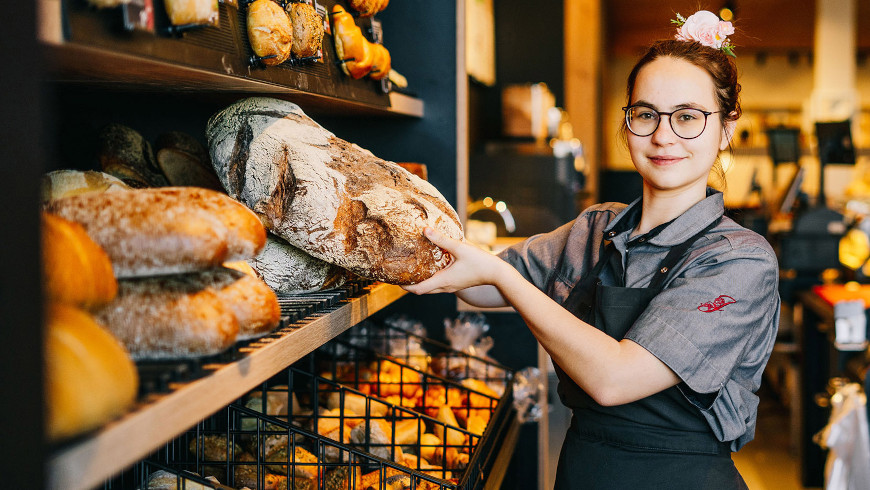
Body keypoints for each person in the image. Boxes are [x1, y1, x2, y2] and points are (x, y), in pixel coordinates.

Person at [404, 10, 780, 489]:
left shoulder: (739, 260)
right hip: (584, 471)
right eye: (646, 114)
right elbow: (478, 287)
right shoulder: (594, 228)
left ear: (725, 129)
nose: (663, 135)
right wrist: (406, 244)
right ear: (627, 125)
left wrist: (503, 278)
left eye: (687, 117)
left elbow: (614, 380)